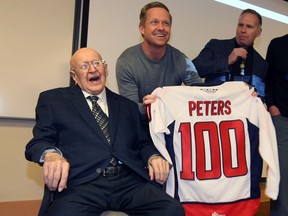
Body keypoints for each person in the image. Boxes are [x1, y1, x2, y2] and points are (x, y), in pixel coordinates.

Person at [25, 48, 185, 216]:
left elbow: (142, 143)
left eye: (97, 63)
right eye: (84, 66)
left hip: (129, 182)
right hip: (82, 184)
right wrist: (51, 155)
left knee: (171, 210)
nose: (93, 69)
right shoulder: (53, 100)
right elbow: (39, 141)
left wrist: (153, 156)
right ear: (74, 75)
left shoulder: (127, 106)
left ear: (105, 69)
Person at [116, 1, 202, 117]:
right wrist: (150, 107)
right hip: (140, 128)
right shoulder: (126, 62)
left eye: (166, 23)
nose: (161, 28)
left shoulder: (181, 59)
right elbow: (131, 110)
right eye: (154, 22)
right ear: (142, 29)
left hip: (171, 127)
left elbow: (200, 94)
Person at [192, 9, 267, 99]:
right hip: (214, 109)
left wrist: (257, 96)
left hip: (244, 112)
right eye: (240, 25)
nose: (243, 30)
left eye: (249, 26)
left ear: (258, 32)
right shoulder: (216, 46)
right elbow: (194, 69)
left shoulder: (262, 64)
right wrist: (226, 61)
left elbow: (262, 95)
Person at [265, 34, 288, 216]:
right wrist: (272, 106)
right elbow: (269, 79)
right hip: (282, 119)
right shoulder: (277, 44)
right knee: (281, 178)